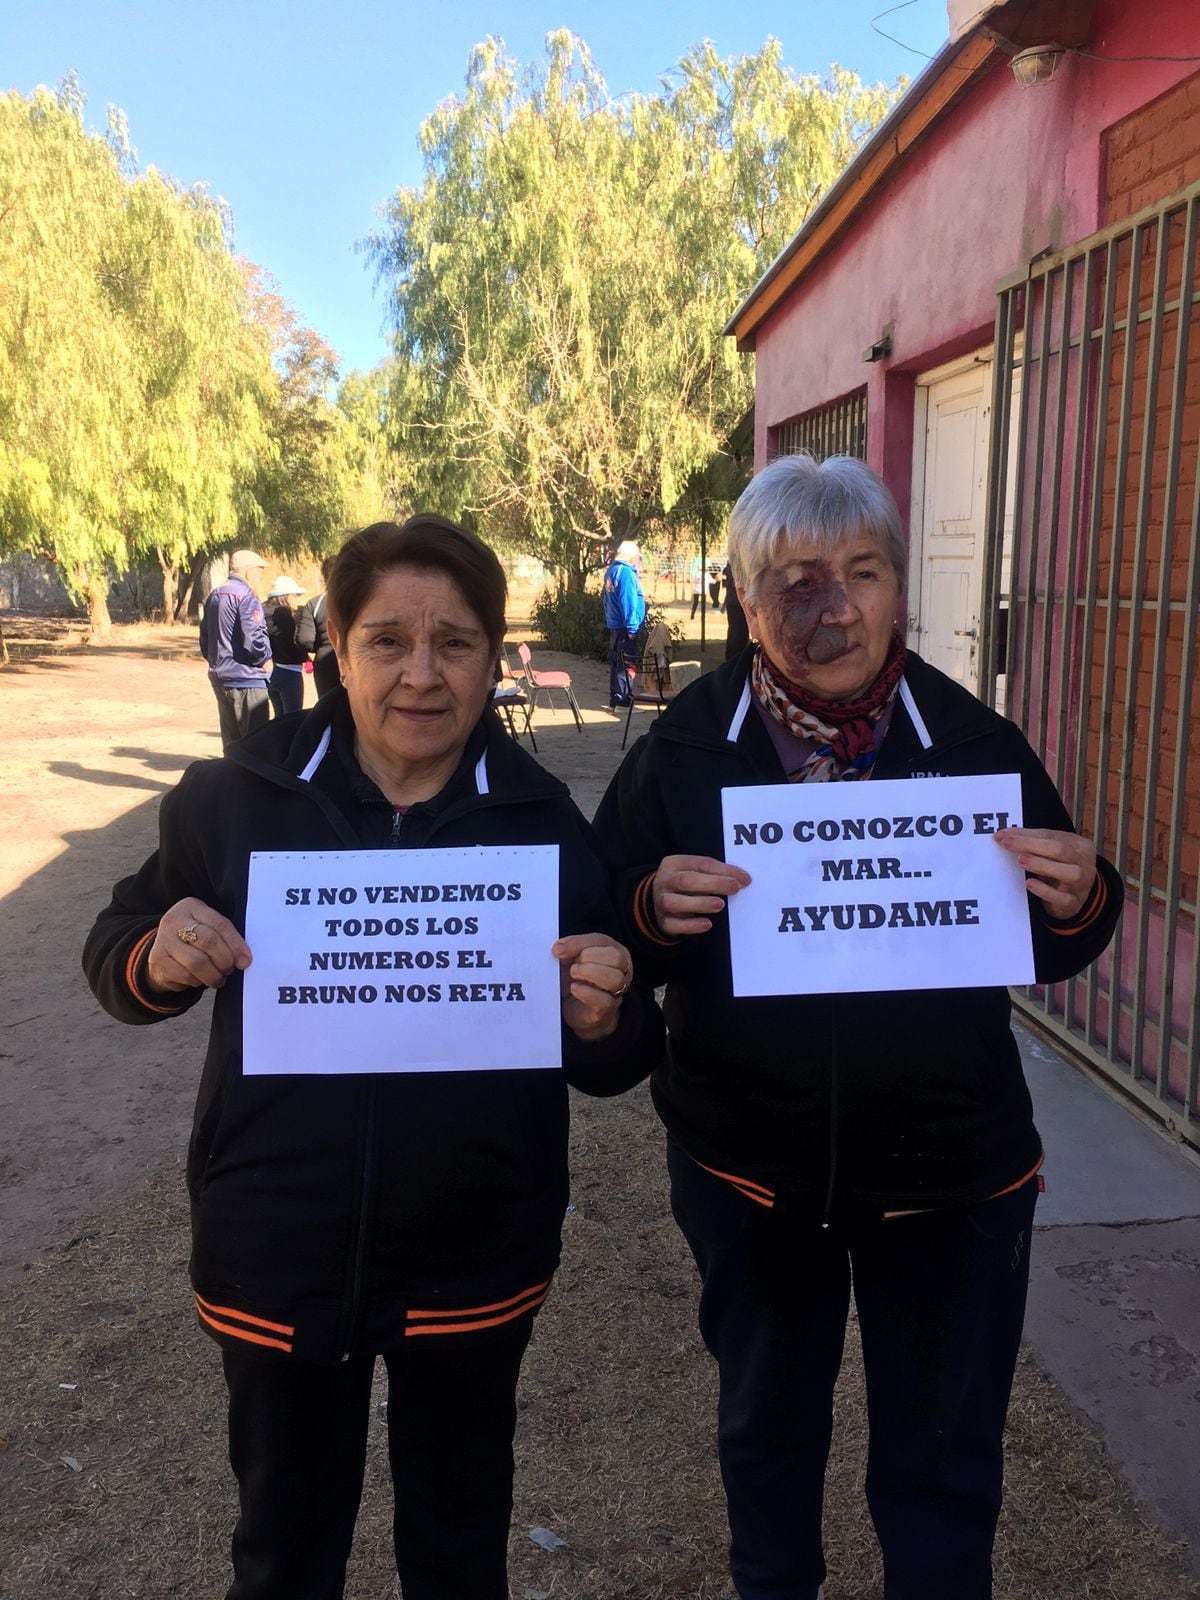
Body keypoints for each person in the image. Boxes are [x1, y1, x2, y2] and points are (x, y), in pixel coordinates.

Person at [84, 515, 663, 1600]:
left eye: (456, 644)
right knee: (282, 1555)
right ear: (336, 649)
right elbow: (114, 948)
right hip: (277, 1249)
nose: (421, 675)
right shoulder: (233, 797)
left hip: (474, 1255)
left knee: (457, 1550)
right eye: (388, 641)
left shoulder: (543, 821)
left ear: (497, 658)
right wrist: (156, 958)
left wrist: (607, 1012)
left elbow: (620, 1052)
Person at [595, 452, 1122, 1600]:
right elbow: (601, 939)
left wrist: (1088, 897)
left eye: (861, 572)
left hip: (952, 1182)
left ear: (898, 591)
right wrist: (644, 911)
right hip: (751, 1177)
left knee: (941, 1475)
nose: (830, 606)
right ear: (743, 598)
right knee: (766, 1448)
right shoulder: (682, 751)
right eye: (791, 578)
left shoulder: (974, 743)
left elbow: (1051, 925)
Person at [199, 549, 273, 750]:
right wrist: (265, 660)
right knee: (255, 744)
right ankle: (252, 782)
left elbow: (205, 638)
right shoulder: (246, 595)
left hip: (221, 676)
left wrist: (216, 660)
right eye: (259, 571)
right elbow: (253, 637)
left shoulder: (215, 595)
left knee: (232, 743)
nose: (260, 576)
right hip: (247, 678)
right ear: (248, 571)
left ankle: (232, 779)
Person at [602, 539, 647, 710]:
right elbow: (628, 603)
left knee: (617, 662)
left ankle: (615, 698)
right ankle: (623, 701)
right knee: (627, 664)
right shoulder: (626, 574)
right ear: (631, 556)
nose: (638, 559)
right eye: (637, 556)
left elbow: (607, 600)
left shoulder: (612, 571)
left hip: (615, 625)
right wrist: (632, 628)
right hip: (625, 627)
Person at [295, 554, 340, 698]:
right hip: (354, 657)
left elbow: (305, 639)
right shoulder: (358, 599)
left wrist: (320, 646)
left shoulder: (315, 603)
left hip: (325, 662)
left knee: (328, 706)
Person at [264, 576, 308, 719]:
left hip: (272, 672)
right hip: (289, 671)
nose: (297, 599)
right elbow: (289, 641)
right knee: (293, 717)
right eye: (295, 595)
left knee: (279, 717)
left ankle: (278, 741)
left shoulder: (263, 612)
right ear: (284, 597)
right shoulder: (283, 614)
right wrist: (304, 654)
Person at [723, 560, 749, 660]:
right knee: (739, 633)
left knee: (734, 631)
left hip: (733, 602)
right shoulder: (738, 566)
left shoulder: (731, 565)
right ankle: (736, 658)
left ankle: (733, 657)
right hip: (738, 603)